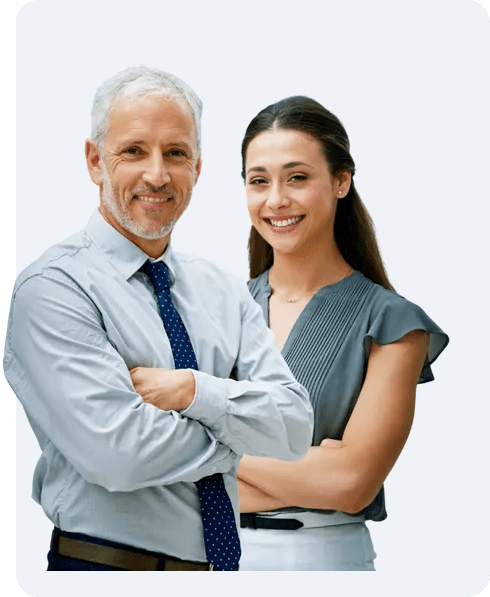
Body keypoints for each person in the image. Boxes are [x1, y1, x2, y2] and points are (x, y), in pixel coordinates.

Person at [3, 68, 313, 571]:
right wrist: (241, 434)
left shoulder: (224, 289)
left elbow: (296, 426)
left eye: (175, 153)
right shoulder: (55, 289)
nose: (157, 174)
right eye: (133, 151)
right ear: (94, 161)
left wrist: (194, 392)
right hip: (103, 571)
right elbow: (119, 455)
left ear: (197, 167)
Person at [236, 96, 449, 571]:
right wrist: (308, 466)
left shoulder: (391, 323)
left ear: (340, 181)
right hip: (205, 560)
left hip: (319, 564)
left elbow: (350, 484)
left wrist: (205, 443)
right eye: (258, 181)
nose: (276, 200)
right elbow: (147, 471)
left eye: (297, 177)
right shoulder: (215, 310)